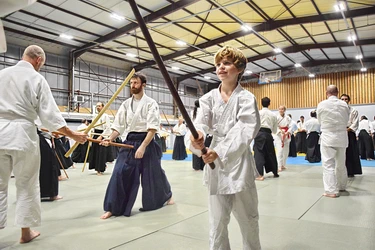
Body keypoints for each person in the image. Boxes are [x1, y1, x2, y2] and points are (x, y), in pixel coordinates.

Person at [0, 45, 87, 243]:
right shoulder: (36, 78)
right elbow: (50, 117)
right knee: (26, 183)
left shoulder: (2, 74)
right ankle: (25, 233)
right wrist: (73, 134)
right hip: (22, 134)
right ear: (38, 60)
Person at [187, 45, 261, 250]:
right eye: (218, 64)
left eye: (227, 63)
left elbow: (246, 128)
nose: (221, 67)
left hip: (238, 161)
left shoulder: (246, 98)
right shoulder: (208, 98)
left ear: (239, 69)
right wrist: (197, 137)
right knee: (217, 221)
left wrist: (219, 151)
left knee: (249, 218)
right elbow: (200, 123)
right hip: (214, 163)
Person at [100, 72, 173, 219]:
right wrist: (109, 138)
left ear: (143, 84)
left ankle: (165, 196)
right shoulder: (126, 104)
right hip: (130, 140)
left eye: (136, 83)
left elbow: (152, 128)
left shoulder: (151, 103)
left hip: (147, 140)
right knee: (119, 172)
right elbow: (118, 126)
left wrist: (143, 146)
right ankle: (113, 207)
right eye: (131, 83)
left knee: (153, 174)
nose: (132, 86)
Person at [316, 85, 349, 198]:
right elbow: (347, 119)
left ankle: (331, 190)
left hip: (328, 136)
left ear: (327, 93)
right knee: (341, 163)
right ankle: (342, 186)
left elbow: (319, 120)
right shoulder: (344, 104)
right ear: (337, 93)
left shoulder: (322, 104)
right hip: (342, 136)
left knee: (328, 164)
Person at [253, 97, 278, 180]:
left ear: (261, 103)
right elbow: (274, 130)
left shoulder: (258, 113)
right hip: (268, 134)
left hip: (259, 133)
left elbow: (254, 124)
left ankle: (259, 174)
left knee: (259, 153)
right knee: (271, 153)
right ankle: (275, 172)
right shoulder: (273, 115)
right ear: (269, 104)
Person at [340, 94, 362, 176]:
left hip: (349, 133)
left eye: (346, 99)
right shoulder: (338, 111)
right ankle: (341, 171)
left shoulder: (353, 110)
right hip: (340, 133)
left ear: (349, 100)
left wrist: (347, 129)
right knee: (341, 153)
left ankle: (351, 171)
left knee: (350, 152)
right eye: (342, 99)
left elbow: (355, 123)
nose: (344, 101)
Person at [89, 102, 111, 175]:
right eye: (97, 106)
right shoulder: (94, 116)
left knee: (100, 153)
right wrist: (90, 135)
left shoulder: (105, 116)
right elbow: (92, 126)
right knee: (95, 152)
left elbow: (108, 128)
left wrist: (101, 136)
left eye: (99, 106)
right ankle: (96, 168)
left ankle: (100, 170)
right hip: (95, 134)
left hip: (101, 135)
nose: (98, 107)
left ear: (103, 107)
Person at [275, 105, 292, 172]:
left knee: (286, 151)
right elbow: (275, 126)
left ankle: (283, 164)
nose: (281, 110)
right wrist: (280, 131)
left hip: (286, 135)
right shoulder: (276, 117)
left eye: (282, 109)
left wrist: (288, 132)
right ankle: (279, 166)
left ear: (284, 110)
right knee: (279, 151)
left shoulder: (288, 117)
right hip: (279, 135)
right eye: (280, 109)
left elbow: (291, 126)